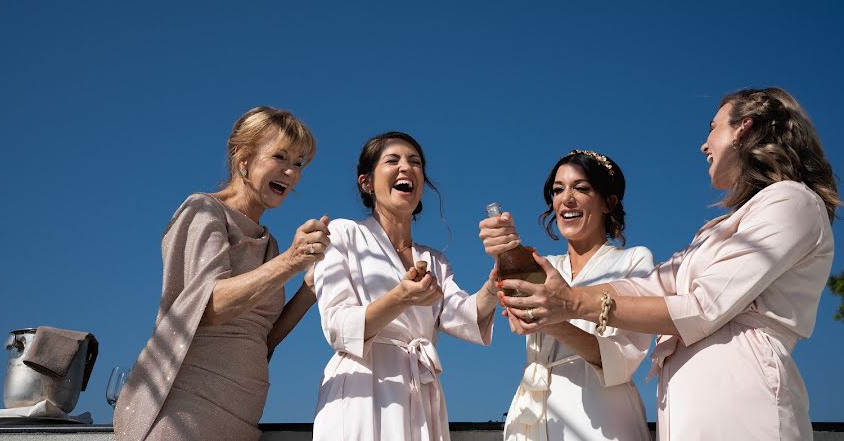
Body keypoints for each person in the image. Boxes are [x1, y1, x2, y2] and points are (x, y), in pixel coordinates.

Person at [486, 88, 837, 440]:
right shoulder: (712, 233)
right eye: (557, 190)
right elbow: (649, 286)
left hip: (745, 407)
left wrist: (571, 303)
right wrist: (545, 291)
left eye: (712, 127)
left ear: (743, 129)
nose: (704, 144)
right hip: (686, 416)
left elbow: (705, 305)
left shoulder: (791, 201)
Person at [114, 107, 329, 441]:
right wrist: (290, 261)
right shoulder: (203, 210)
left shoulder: (268, 242)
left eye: (299, 163)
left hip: (242, 412)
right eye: (280, 157)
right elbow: (212, 307)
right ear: (243, 158)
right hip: (187, 411)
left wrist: (310, 287)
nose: (291, 172)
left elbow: (262, 338)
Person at [313, 131, 499, 441]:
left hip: (419, 389)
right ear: (366, 182)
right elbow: (337, 326)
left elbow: (465, 315)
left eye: (415, 162)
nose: (406, 168)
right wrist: (400, 297)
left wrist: (498, 277)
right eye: (392, 160)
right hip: (361, 387)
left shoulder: (433, 260)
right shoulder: (343, 235)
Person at [479, 150, 653, 441]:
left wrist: (552, 321)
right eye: (558, 190)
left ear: (608, 202)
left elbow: (624, 357)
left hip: (601, 418)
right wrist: (504, 255)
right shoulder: (542, 265)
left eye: (581, 188)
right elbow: (512, 314)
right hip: (532, 415)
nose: (566, 199)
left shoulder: (634, 261)